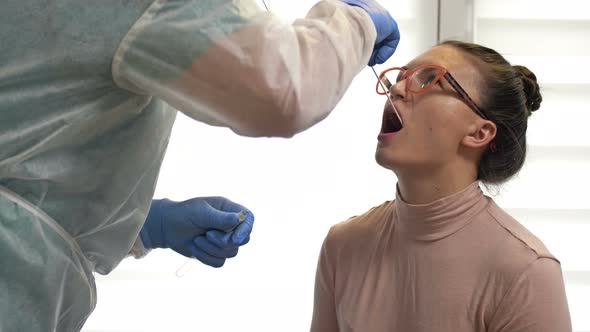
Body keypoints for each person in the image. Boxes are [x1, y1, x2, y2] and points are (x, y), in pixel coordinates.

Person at [0, 0, 400, 330]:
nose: (398, 89)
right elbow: (282, 88)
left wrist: (141, 226)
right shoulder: (348, 246)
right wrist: (357, 19)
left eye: (432, 79)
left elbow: (36, 121)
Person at [310, 40, 572, 332]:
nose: (396, 90)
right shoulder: (342, 246)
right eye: (399, 79)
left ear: (479, 132)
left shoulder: (527, 271)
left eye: (428, 80)